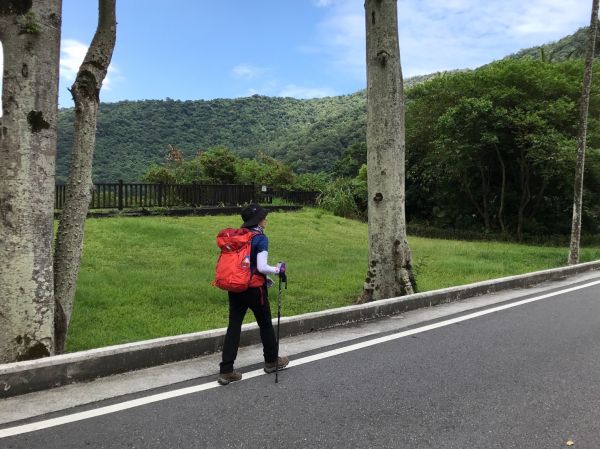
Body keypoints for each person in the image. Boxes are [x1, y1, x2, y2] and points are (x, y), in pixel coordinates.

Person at [218, 203, 289, 385]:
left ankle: (226, 370)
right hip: (254, 288)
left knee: (234, 325)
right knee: (265, 324)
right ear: (258, 220)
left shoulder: (238, 236)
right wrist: (278, 269)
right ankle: (272, 361)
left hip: (235, 286)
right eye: (264, 217)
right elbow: (261, 267)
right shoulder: (260, 238)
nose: (266, 219)